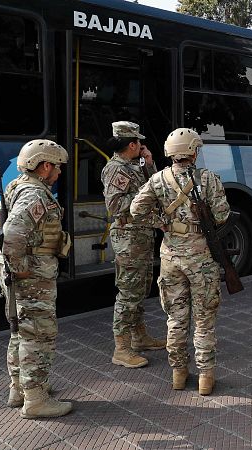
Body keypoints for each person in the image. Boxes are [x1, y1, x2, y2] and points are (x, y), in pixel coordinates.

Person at [130, 128, 228, 396]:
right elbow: (222, 214)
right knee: (204, 320)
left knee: (175, 318)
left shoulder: (158, 179)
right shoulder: (207, 179)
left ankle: (178, 373)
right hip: (201, 257)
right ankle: (206, 378)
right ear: (193, 151)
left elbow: (135, 210)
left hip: (171, 256)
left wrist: (161, 223)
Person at [0, 140, 72, 418]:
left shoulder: (15, 186)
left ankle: (19, 389)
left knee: (19, 331)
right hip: (32, 276)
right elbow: (12, 235)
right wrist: (19, 267)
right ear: (44, 166)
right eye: (56, 167)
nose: (58, 173)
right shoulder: (35, 195)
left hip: (20, 274)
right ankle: (36, 400)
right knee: (39, 335)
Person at [101, 121, 165, 369]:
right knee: (128, 292)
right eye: (139, 142)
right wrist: (144, 196)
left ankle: (139, 338)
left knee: (140, 289)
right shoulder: (116, 169)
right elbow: (115, 206)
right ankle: (122, 348)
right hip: (128, 238)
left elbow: (154, 186)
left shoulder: (133, 166)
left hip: (141, 236)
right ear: (132, 144)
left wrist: (149, 164)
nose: (142, 145)